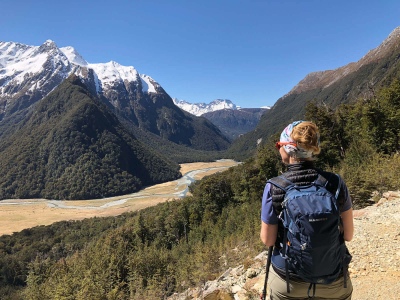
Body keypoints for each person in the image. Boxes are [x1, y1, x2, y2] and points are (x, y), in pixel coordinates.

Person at [260, 120, 354, 300]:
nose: (278, 149)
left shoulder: (274, 187)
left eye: (278, 145)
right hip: (334, 277)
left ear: (287, 148)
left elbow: (268, 239)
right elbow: (348, 235)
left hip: (289, 281)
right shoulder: (335, 183)